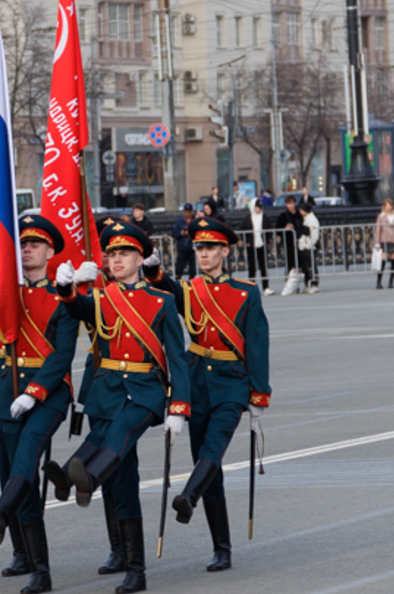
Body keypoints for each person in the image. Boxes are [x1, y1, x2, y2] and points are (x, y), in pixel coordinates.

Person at [47, 221, 190, 594]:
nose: (116, 260)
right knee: (123, 479)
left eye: (124, 254)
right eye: (111, 255)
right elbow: (76, 308)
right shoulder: (101, 298)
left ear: (140, 258)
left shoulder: (162, 300)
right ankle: (132, 565)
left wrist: (179, 407)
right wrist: (66, 287)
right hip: (106, 390)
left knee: (122, 433)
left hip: (144, 392)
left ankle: (85, 479)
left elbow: (178, 357)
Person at [145, 216, 271, 573]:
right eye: (199, 247)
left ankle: (187, 496)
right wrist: (154, 271)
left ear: (224, 251)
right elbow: (167, 287)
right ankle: (222, 547)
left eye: (210, 247)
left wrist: (259, 394)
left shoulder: (247, 292)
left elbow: (258, 345)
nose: (203, 253)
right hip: (197, 380)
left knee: (213, 450)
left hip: (232, 381)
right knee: (206, 460)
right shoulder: (190, 290)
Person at [0, 215, 77, 594]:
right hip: (6, 392)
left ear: (50, 251)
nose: (27, 250)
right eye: (21, 244)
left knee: (25, 466)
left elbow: (62, 355)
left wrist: (34, 391)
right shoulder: (5, 293)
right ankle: (22, 553)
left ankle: (42, 570)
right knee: (11, 475)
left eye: (35, 245)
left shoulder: (62, 294)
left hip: (49, 393)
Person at [240, 200, 275, 295]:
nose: (260, 209)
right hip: (251, 245)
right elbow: (241, 230)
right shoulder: (248, 218)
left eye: (261, 207)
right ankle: (251, 287)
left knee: (263, 265)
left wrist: (267, 241)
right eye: (258, 207)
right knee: (252, 267)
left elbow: (269, 229)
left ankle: (266, 287)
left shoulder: (264, 217)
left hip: (262, 245)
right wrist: (246, 241)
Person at [375, 198, 394, 290]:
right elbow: (378, 230)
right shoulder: (381, 217)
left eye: (390, 205)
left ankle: (391, 281)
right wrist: (377, 243)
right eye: (386, 205)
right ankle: (379, 281)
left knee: (393, 260)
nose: (388, 207)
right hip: (384, 240)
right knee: (382, 260)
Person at [275, 196, 303, 278]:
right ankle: (289, 280)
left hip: (299, 242)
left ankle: (298, 281)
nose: (290, 206)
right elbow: (277, 229)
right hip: (288, 243)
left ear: (294, 203)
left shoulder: (299, 215)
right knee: (289, 263)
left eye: (291, 203)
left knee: (300, 263)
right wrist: (285, 229)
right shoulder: (283, 216)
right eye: (288, 204)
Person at [296, 202, 320, 294]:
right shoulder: (304, 219)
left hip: (308, 246)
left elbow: (314, 235)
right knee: (305, 266)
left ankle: (314, 284)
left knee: (311, 265)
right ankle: (307, 283)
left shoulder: (312, 220)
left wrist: (310, 244)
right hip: (303, 246)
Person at [172, 204, 196, 280]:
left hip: (192, 248)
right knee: (179, 269)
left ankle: (191, 282)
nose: (187, 214)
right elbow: (174, 233)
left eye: (189, 212)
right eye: (186, 212)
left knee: (192, 270)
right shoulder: (179, 222)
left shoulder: (195, 221)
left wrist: (191, 233)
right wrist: (181, 233)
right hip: (182, 248)